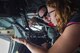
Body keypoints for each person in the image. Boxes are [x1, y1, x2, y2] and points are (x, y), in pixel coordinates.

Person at [12, 0, 80, 53]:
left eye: (49, 14)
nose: (48, 18)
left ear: (59, 10)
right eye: (43, 17)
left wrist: (25, 42)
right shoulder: (71, 21)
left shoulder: (75, 24)